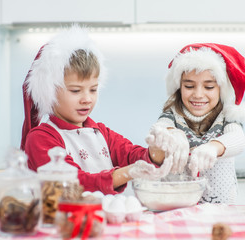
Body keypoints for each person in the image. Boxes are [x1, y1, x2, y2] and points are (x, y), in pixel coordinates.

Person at [20, 26, 189, 195]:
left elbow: (133, 156)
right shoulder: (40, 138)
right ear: (49, 92)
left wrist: (156, 151)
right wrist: (126, 172)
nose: (87, 98)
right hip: (66, 220)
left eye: (93, 89)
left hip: (102, 219)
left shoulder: (101, 133)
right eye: (75, 91)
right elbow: (75, 183)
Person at [149, 43, 245, 204]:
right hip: (176, 207)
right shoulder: (172, 114)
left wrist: (213, 147)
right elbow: (160, 129)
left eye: (209, 87)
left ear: (221, 89)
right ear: (179, 87)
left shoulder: (227, 116)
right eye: (189, 86)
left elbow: (238, 138)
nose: (198, 94)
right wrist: (173, 134)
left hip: (220, 211)